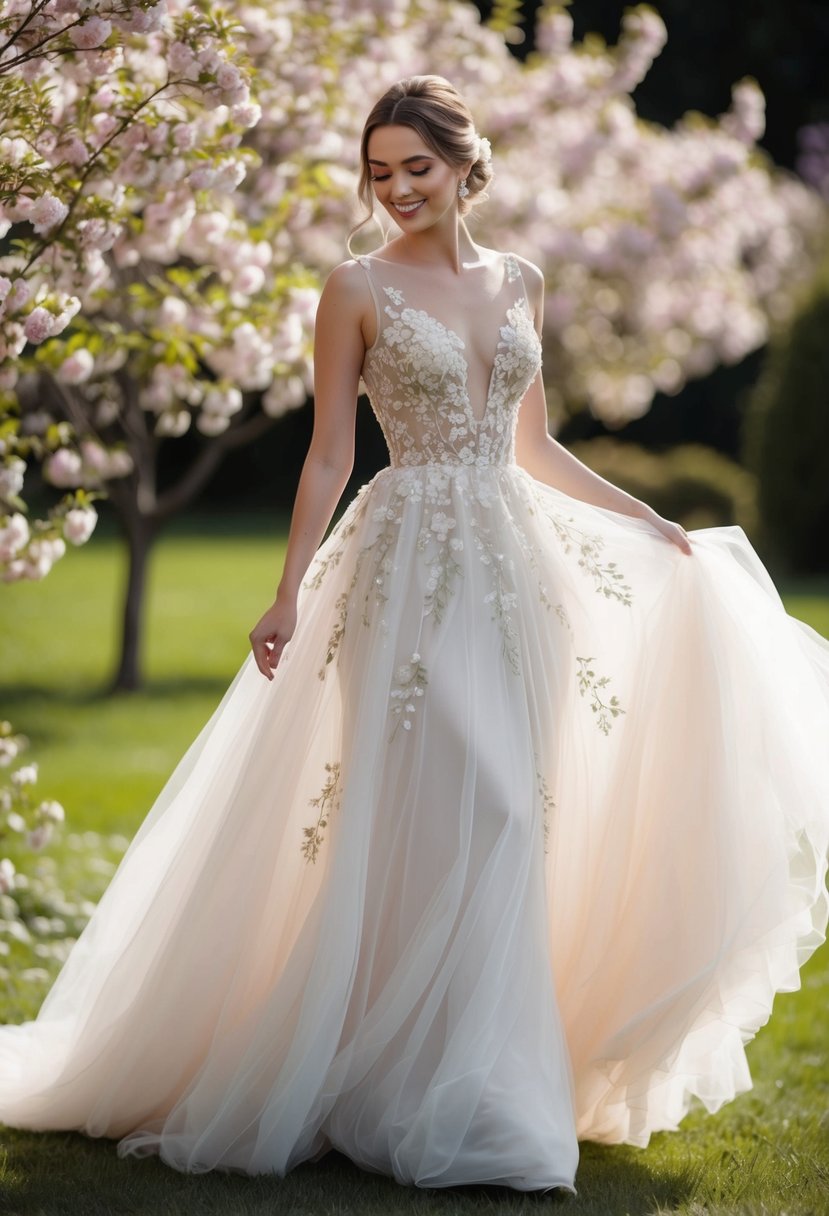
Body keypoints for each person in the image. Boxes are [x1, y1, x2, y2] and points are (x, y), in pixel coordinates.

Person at [1, 75, 828, 1198]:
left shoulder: (522, 281)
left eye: (415, 168)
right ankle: (401, 1078)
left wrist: (642, 520)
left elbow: (531, 447)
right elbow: (331, 457)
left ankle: (471, 1078)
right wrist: (288, 590)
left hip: (517, 570)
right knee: (455, 808)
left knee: (513, 822)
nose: (394, 190)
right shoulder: (352, 288)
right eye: (378, 171)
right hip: (403, 570)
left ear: (464, 163)